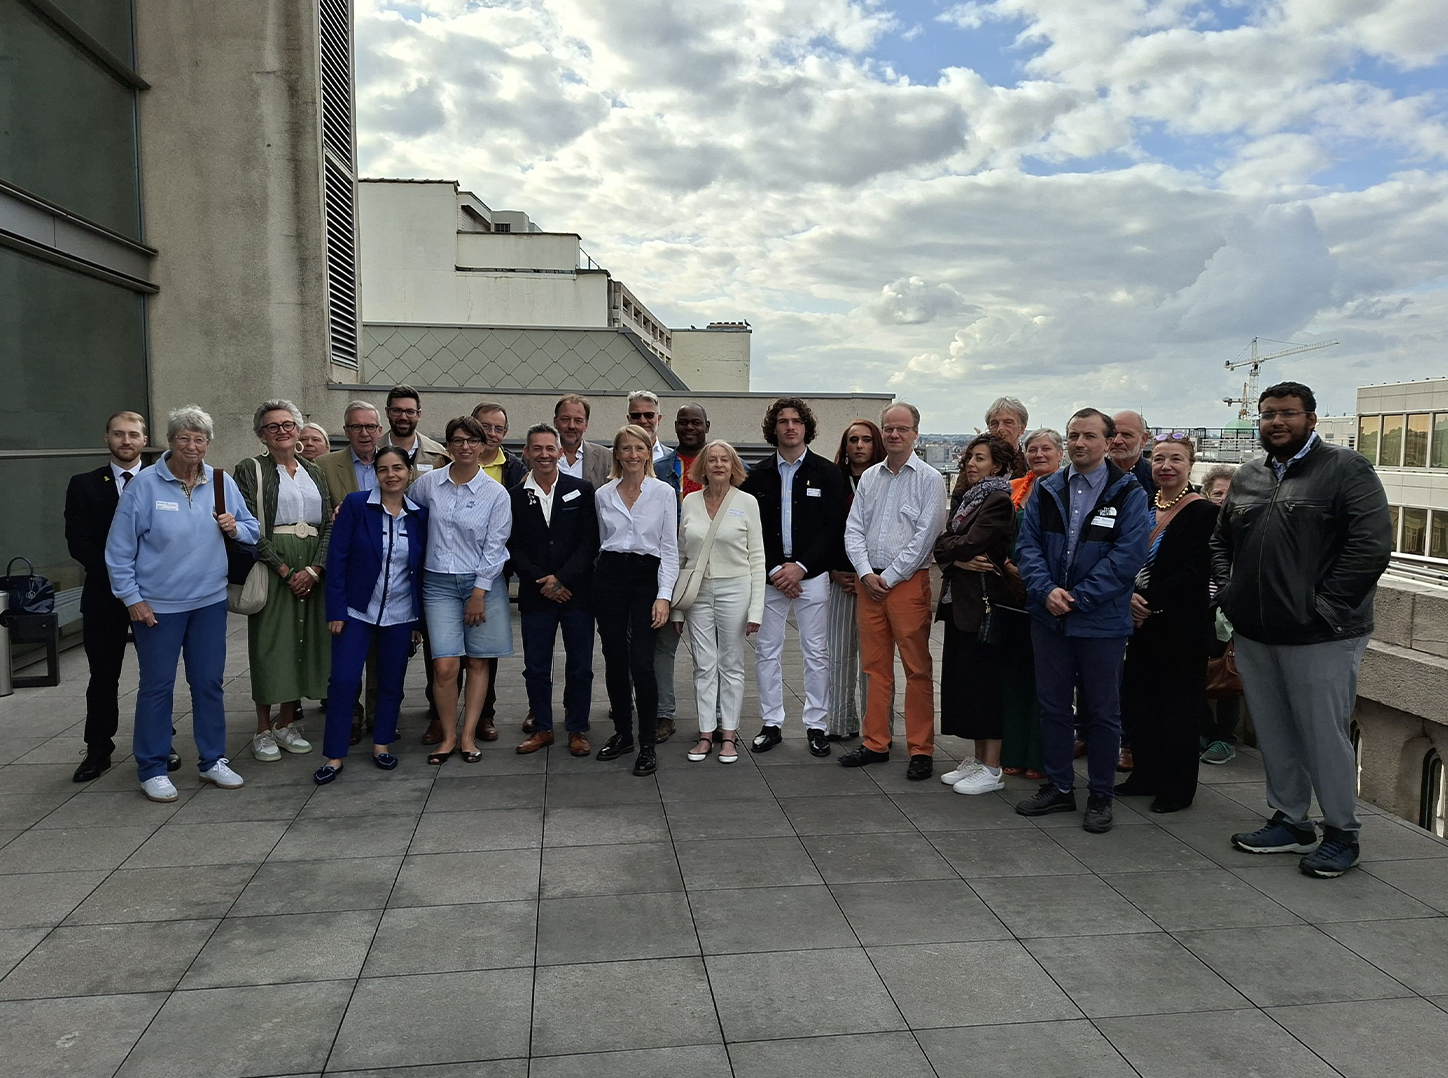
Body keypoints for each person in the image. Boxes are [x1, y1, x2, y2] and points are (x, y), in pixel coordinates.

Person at [1215, 382, 1392, 878]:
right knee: (1273, 730)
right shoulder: (1249, 475)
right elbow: (1221, 542)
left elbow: (1370, 547)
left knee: (1323, 734)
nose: (1277, 422)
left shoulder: (1346, 470)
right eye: (1268, 414)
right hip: (1255, 628)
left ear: (1311, 419)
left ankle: (1341, 832)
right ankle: (1291, 821)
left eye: (1288, 414)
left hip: (1322, 633)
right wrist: (1232, 594)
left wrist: (1323, 608)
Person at [105, 405, 260, 802]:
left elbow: (252, 531)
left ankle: (213, 760)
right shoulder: (145, 485)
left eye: (200, 439)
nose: (192, 445)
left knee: (209, 683)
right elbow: (119, 550)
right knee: (157, 687)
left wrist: (235, 526)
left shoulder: (221, 481)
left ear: (208, 443)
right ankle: (152, 766)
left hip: (208, 601)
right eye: (184, 438)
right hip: (156, 606)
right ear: (170, 442)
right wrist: (132, 599)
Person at [1014, 407, 1149, 833]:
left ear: (1108, 442)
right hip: (1049, 616)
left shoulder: (1128, 492)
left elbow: (1128, 556)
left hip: (1101, 620)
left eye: (1089, 436)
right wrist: (1046, 591)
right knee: (1053, 706)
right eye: (1073, 435)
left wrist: (1080, 598)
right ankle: (1059, 787)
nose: (1079, 443)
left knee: (1103, 712)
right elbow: (1027, 546)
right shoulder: (1048, 488)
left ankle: (1101, 796)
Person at [66, 411, 182, 781]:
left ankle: (162, 743)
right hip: (104, 596)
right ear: (107, 439)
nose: (126, 441)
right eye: (119, 434)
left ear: (144, 440)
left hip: (157, 594)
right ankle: (98, 750)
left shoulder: (162, 481)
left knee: (157, 676)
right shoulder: (84, 484)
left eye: (134, 434)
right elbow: (79, 542)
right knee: (103, 675)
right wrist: (122, 578)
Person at [841, 403, 947, 780]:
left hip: (907, 584)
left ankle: (921, 748)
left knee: (917, 669)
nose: (895, 435)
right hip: (870, 583)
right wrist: (867, 573)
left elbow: (927, 535)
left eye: (902, 429)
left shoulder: (930, 478)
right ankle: (875, 742)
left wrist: (893, 575)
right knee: (874, 668)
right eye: (889, 429)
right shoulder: (870, 477)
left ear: (916, 433)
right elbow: (853, 529)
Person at [1115, 434, 1218, 813]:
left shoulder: (1204, 512)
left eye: (1175, 459)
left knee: (1178, 711)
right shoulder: (1143, 505)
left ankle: (1176, 788)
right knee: (1140, 704)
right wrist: (1128, 597)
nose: (1166, 466)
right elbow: (1122, 557)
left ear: (1191, 466)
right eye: (1158, 459)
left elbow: (1195, 571)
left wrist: (1149, 601)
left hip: (1180, 628)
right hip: (1140, 627)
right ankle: (1146, 774)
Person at [314, 447, 428, 784]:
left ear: (409, 472)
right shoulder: (355, 505)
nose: (391, 475)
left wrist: (417, 622)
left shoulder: (419, 514)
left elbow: (419, 571)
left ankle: (382, 745)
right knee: (344, 681)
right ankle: (333, 756)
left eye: (398, 468)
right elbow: (337, 560)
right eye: (383, 469)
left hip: (400, 612)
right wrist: (335, 609)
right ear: (375, 474)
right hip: (355, 610)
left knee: (391, 682)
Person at [741, 397, 847, 758]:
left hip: (812, 576)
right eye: (783, 421)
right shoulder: (755, 476)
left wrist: (801, 566)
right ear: (774, 428)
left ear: (806, 427)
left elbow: (834, 528)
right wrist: (775, 570)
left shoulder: (827, 473)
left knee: (815, 652)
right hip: (769, 577)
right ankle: (771, 723)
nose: (790, 426)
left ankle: (816, 725)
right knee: (766, 652)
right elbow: (751, 530)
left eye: (796, 421)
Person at [407, 415, 513, 764]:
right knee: (445, 666)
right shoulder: (428, 484)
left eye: (472, 440)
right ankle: (447, 735)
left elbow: (496, 546)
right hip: (437, 583)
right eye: (457, 440)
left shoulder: (495, 493)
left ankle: (468, 737)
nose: (465, 446)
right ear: (448, 445)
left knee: (479, 661)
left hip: (481, 582)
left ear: (483, 445)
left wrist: (479, 593)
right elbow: (404, 512)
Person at [234, 400, 333, 762]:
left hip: (311, 566)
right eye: (273, 426)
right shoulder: (252, 469)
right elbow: (248, 525)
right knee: (270, 644)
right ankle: (262, 728)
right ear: (262, 434)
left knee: (303, 642)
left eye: (288, 424)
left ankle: (287, 723)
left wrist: (315, 569)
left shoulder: (314, 470)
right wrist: (285, 571)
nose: (282, 431)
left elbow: (328, 523)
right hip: (275, 563)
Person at [935, 434, 1019, 794]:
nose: (971, 464)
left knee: (986, 686)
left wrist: (950, 551)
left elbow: (967, 543)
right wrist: (952, 553)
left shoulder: (997, 501)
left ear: (997, 466)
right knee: (966, 683)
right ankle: (978, 758)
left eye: (980, 459)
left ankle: (993, 767)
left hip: (985, 605)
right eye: (970, 457)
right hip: (961, 604)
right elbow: (943, 544)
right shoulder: (968, 499)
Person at [508, 423, 599, 758]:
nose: (544, 455)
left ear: (560, 452)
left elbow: (590, 542)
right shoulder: (515, 496)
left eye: (550, 448)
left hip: (577, 593)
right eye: (537, 449)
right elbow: (513, 547)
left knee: (580, 666)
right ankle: (543, 727)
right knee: (536, 665)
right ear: (527, 453)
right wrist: (543, 581)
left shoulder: (582, 489)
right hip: (536, 595)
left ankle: (577, 728)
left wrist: (563, 579)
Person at [593, 424, 679, 775]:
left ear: (648, 453)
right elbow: (601, 542)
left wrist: (663, 596)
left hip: (647, 576)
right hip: (611, 576)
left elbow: (670, 549)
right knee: (614, 658)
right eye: (625, 449)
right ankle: (623, 734)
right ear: (617, 454)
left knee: (642, 662)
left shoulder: (663, 492)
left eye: (638, 448)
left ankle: (647, 742)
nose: (631, 455)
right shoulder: (603, 495)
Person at [675, 441, 765, 764]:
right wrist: (677, 607)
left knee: (731, 663)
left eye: (724, 459)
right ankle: (705, 733)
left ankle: (729, 735)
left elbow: (757, 559)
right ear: (703, 466)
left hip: (735, 589)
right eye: (711, 459)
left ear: (733, 465)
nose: (718, 465)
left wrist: (756, 608)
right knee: (703, 663)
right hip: (698, 591)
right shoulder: (689, 502)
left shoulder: (747, 502)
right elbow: (682, 554)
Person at [1001, 428, 1062, 779]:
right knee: (1014, 676)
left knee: (1047, 679)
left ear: (1060, 453)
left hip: (1049, 593)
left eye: (1046, 449)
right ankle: (1014, 751)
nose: (1039, 454)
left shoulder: (1071, 489)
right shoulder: (1014, 490)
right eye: (1033, 449)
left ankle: (1039, 756)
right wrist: (1006, 564)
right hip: (1012, 592)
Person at [652, 403, 712, 743]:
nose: (690, 428)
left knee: (713, 653)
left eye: (696, 422)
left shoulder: (727, 466)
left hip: (713, 571)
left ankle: (718, 718)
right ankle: (663, 714)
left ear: (707, 425)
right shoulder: (659, 468)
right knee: (663, 646)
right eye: (683, 422)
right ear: (674, 426)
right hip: (671, 567)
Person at [826, 419, 885, 740]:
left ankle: (877, 728)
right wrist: (835, 570)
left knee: (874, 662)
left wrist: (871, 575)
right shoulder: (833, 480)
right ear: (845, 446)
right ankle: (840, 723)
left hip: (877, 582)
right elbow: (828, 530)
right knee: (839, 655)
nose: (859, 446)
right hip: (840, 579)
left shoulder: (886, 481)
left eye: (866, 440)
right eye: (853, 440)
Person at [1198, 463, 1240, 764]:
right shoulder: (1198, 525)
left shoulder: (1246, 529)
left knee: (1228, 680)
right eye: (1218, 493)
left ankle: (1224, 739)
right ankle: (1203, 730)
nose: (1224, 499)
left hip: (1231, 617)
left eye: (1230, 493)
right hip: (1199, 613)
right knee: (1193, 675)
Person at [316, 401, 383, 505]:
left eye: (370, 427)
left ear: (379, 430)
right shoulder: (323, 465)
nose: (364, 433)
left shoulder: (397, 464)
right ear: (346, 431)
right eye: (357, 427)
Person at [383, 384, 445, 474]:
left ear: (419, 415)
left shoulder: (438, 454)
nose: (403, 417)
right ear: (387, 412)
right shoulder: (372, 451)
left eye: (410, 412)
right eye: (397, 411)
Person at [554, 393, 612, 488]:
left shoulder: (605, 457)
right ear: (555, 422)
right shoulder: (537, 456)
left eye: (578, 421)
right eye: (565, 419)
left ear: (586, 425)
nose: (571, 426)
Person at [1109, 409, 1157, 501]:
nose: (1117, 441)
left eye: (1126, 435)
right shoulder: (1093, 475)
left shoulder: (1155, 478)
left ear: (1143, 440)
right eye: (1113, 434)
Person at [985, 397, 1030, 478]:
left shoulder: (1029, 468)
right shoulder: (975, 464)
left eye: (1008, 423)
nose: (1000, 429)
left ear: (1022, 429)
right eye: (994, 423)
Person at [626, 390, 671, 464]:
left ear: (659, 419)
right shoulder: (610, 456)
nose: (642, 421)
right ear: (628, 419)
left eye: (649, 415)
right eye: (636, 416)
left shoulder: (673, 458)